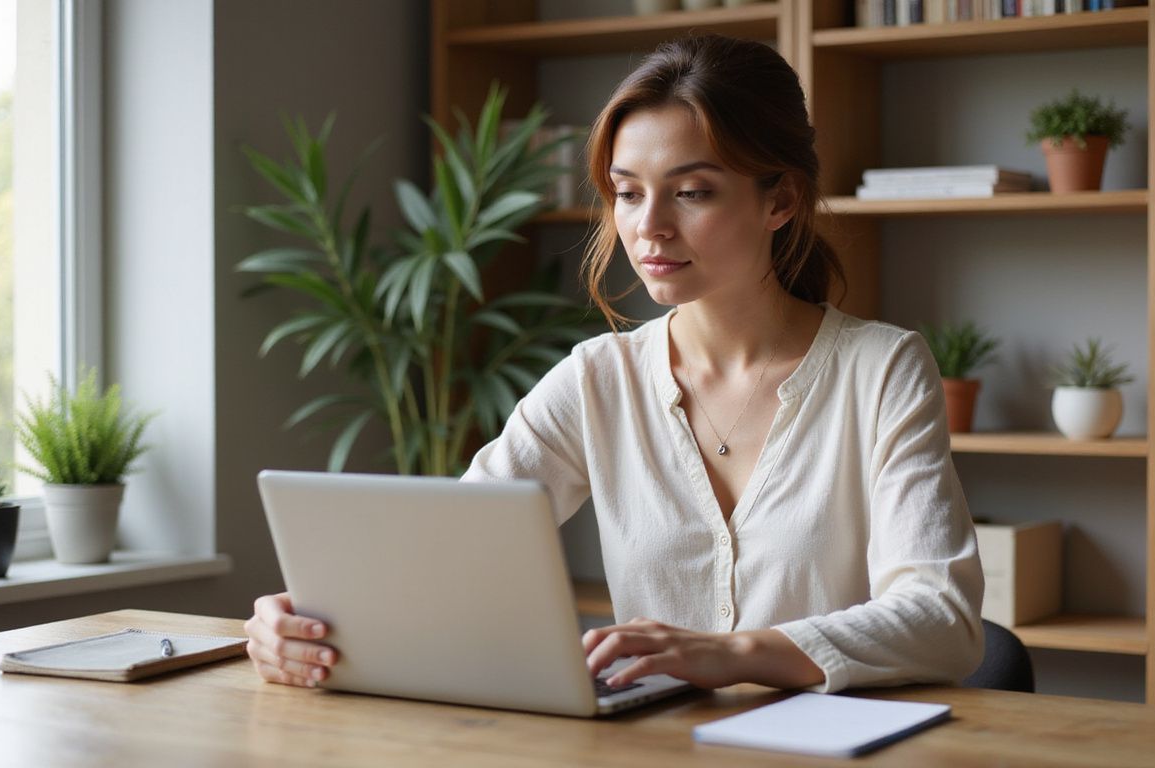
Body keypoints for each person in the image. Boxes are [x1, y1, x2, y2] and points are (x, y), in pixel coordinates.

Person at [245, 33, 984, 694]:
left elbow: (941, 620)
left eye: (692, 192)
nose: (649, 227)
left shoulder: (882, 369)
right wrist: (307, 622)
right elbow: (447, 557)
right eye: (628, 193)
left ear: (780, 200)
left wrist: (735, 654)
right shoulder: (598, 378)